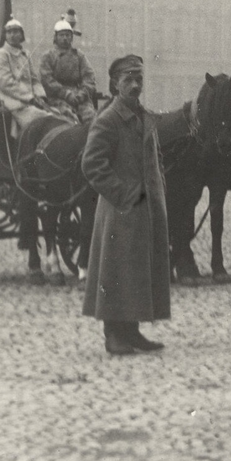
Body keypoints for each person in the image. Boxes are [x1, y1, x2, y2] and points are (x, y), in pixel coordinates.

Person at [81, 55, 171, 356]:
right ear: (114, 84)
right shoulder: (108, 120)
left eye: (139, 79)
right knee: (116, 271)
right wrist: (124, 194)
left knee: (138, 269)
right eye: (128, 80)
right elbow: (92, 164)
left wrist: (159, 189)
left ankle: (132, 331)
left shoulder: (144, 117)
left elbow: (155, 157)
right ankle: (113, 335)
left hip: (145, 208)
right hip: (120, 210)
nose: (135, 85)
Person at [0, 18, 63, 131]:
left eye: (16, 32)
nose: (12, 35)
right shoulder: (1, 56)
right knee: (46, 121)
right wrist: (29, 97)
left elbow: (34, 79)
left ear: (21, 35)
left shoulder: (25, 54)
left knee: (60, 115)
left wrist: (40, 97)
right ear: (5, 35)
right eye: (9, 32)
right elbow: (6, 83)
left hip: (31, 101)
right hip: (12, 103)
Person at [40, 16, 98, 123]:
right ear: (55, 37)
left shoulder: (79, 56)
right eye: (61, 35)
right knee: (68, 119)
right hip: (57, 98)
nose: (65, 38)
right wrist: (65, 94)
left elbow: (89, 77)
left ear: (71, 37)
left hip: (79, 96)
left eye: (67, 35)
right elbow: (47, 80)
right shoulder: (48, 56)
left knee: (91, 119)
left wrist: (82, 94)